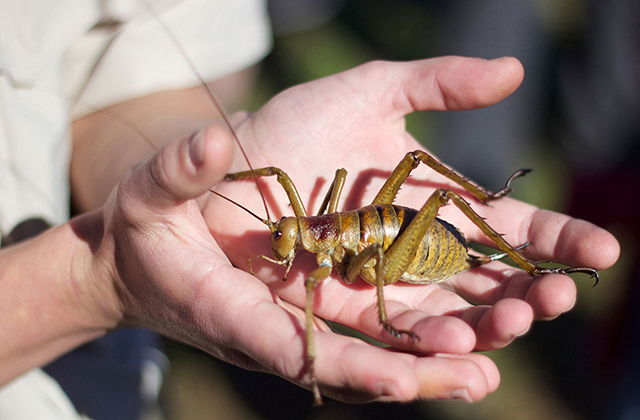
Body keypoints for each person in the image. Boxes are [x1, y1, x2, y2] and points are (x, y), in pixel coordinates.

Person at [0, 0, 620, 418]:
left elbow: (123, 81)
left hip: (408, 244)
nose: (282, 243)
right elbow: (272, 181)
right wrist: (100, 277)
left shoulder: (318, 260)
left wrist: (188, 152)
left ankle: (495, 218)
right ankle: (504, 242)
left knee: (426, 201)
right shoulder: (302, 230)